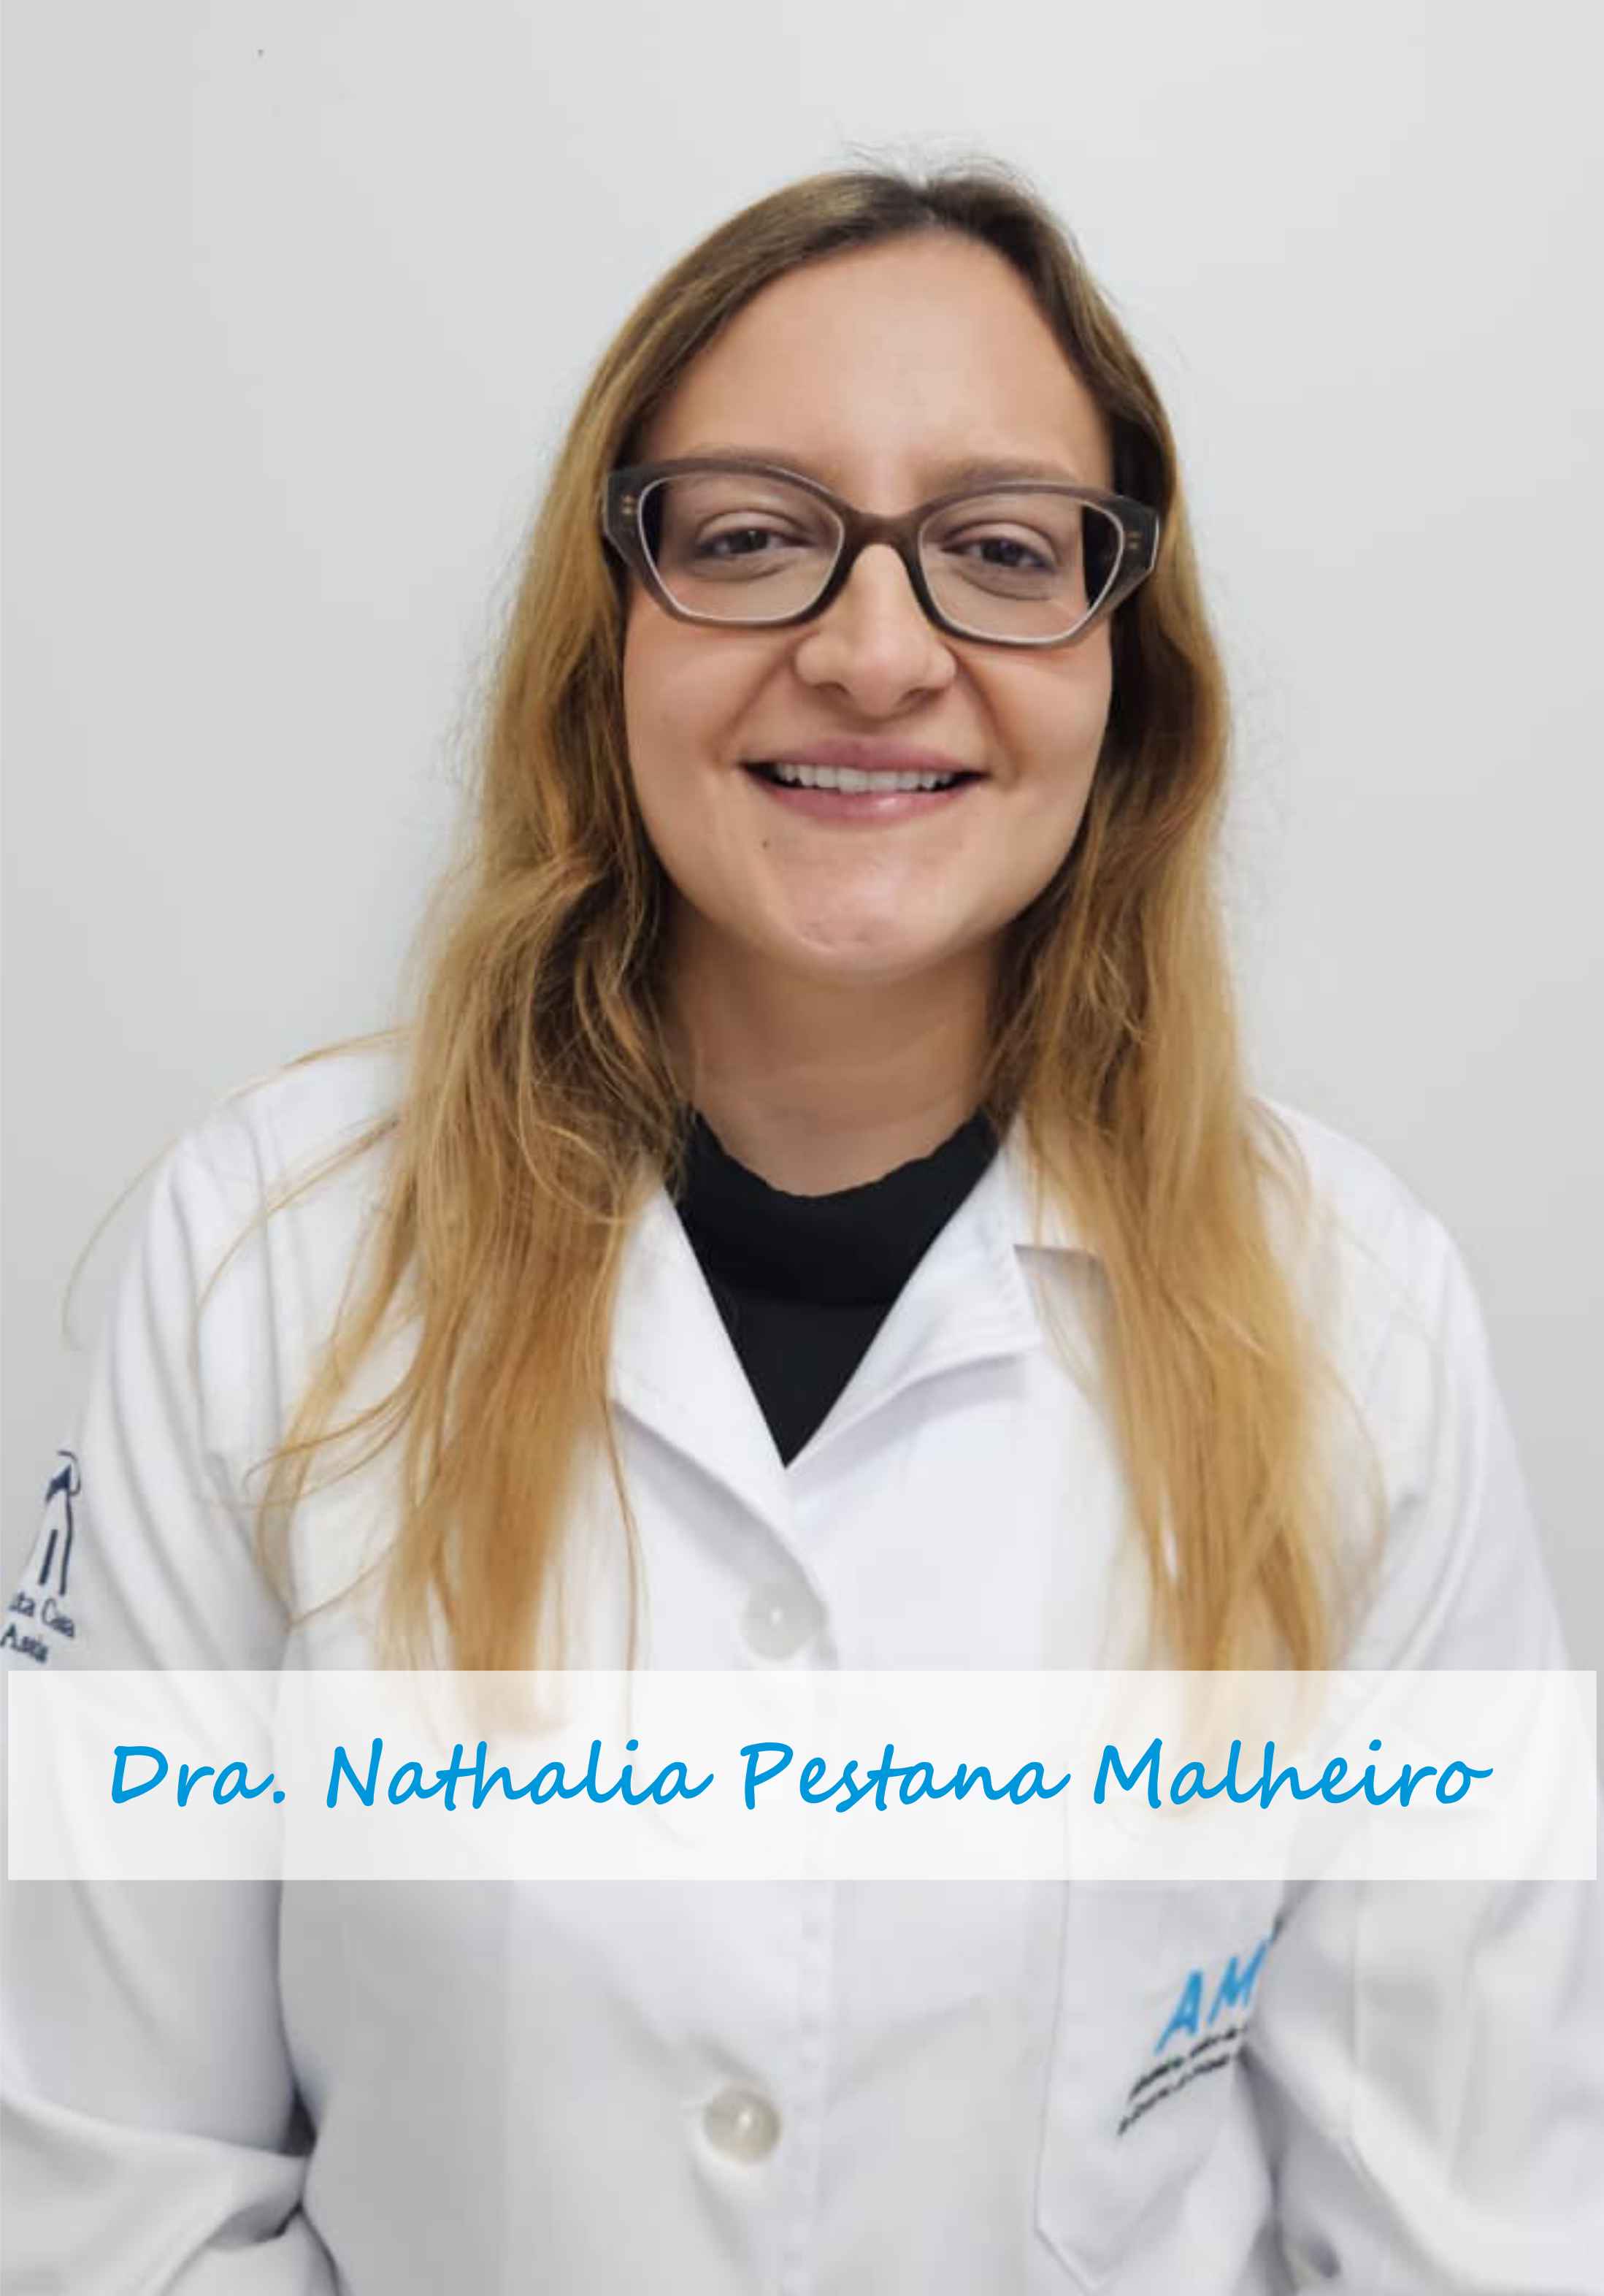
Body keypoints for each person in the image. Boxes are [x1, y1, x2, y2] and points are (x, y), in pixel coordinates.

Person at [3, 156, 1600, 2293]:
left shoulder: (1351, 1320)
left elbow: (1463, 2236)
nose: (872, 653)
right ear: (610, 627)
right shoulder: (270, 1262)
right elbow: (102, 2203)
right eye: (752, 538)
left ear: (1126, 669)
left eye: (1001, 551)